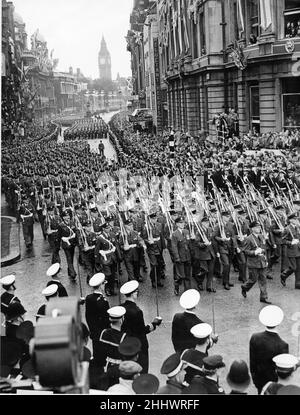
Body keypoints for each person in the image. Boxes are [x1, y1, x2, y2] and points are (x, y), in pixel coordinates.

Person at [120, 280, 162, 373]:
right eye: (136, 291)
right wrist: (154, 324)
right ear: (133, 293)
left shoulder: (121, 307)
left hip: (126, 341)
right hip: (139, 344)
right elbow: (141, 330)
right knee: (142, 369)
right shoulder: (137, 311)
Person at [249, 305, 289, 394]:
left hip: (259, 380)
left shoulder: (255, 337)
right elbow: (283, 371)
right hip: (273, 382)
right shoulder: (283, 345)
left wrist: (255, 380)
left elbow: (252, 362)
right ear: (278, 323)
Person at [241, 221, 271, 303]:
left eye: (260, 227)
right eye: (257, 227)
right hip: (253, 263)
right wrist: (254, 252)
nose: (259, 229)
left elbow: (264, 249)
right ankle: (244, 287)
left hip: (262, 262)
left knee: (263, 279)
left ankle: (263, 297)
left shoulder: (261, 236)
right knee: (253, 279)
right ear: (252, 229)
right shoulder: (248, 238)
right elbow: (245, 251)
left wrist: (266, 260)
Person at [85, 273, 110, 366]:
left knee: (96, 354)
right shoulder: (103, 301)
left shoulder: (88, 298)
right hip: (103, 333)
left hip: (94, 332)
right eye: (103, 284)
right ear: (101, 286)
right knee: (103, 358)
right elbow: (107, 320)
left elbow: (88, 316)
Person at [171, 289, 203, 354]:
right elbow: (203, 345)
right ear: (196, 304)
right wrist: (212, 341)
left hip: (179, 352)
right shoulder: (199, 323)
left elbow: (174, 338)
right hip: (193, 356)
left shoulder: (176, 316)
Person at [98, 306, 127, 372]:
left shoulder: (104, 333)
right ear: (121, 319)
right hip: (120, 368)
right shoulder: (123, 336)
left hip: (107, 366)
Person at [171, 217, 192, 295]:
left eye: (183, 222)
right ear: (176, 224)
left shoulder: (187, 231)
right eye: (180, 223)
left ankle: (187, 291)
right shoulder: (174, 234)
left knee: (187, 275)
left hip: (187, 256)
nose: (182, 224)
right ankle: (176, 287)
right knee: (180, 275)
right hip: (180, 257)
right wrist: (177, 257)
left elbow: (189, 244)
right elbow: (174, 247)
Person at [281, 212, 300, 289]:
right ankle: (284, 275)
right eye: (294, 219)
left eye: (296, 219)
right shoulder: (287, 229)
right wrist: (291, 242)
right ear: (291, 220)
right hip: (291, 251)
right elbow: (283, 240)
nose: (296, 220)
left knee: (299, 267)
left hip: (298, 250)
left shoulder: (297, 227)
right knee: (293, 267)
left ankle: (298, 283)